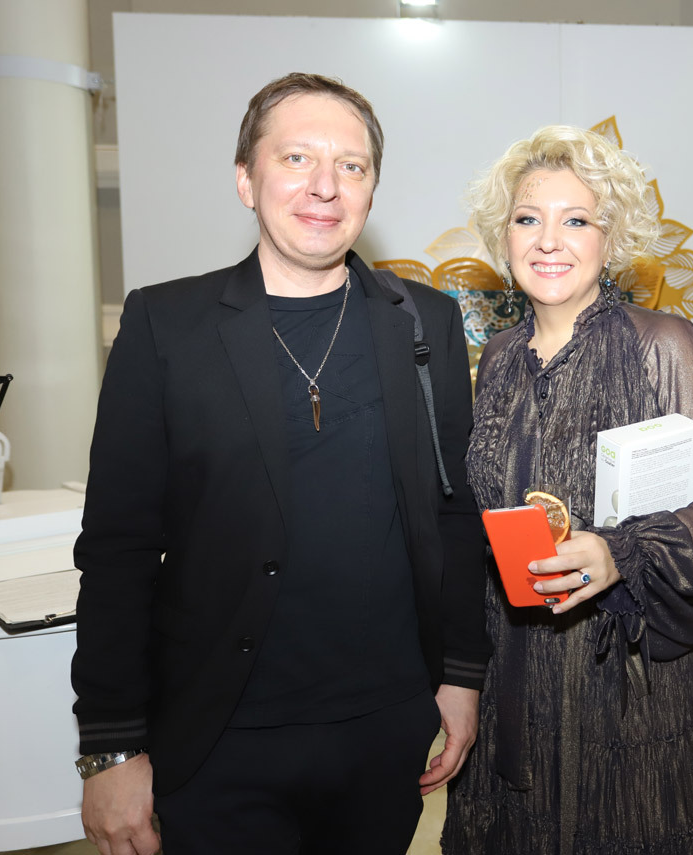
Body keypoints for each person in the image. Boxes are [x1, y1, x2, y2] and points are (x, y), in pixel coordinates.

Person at [71, 72, 489, 855]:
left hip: (383, 731)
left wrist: (461, 674)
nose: (325, 186)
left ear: (370, 189)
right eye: (296, 158)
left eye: (351, 165)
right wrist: (110, 743)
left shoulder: (423, 321)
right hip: (218, 738)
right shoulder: (167, 325)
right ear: (245, 179)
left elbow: (453, 513)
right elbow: (117, 548)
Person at [440, 126, 693, 855]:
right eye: (528, 218)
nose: (548, 241)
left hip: (639, 691)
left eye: (576, 220)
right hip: (516, 677)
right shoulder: (496, 360)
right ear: (504, 236)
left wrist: (623, 552)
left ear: (610, 238)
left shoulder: (663, 344)